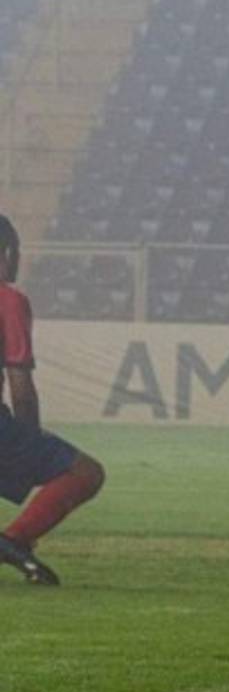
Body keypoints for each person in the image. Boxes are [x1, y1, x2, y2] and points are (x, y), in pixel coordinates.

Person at [0, 214, 105, 586]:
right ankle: (13, 541)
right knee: (86, 472)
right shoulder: (8, 301)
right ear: (7, 253)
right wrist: (30, 439)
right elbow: (19, 381)